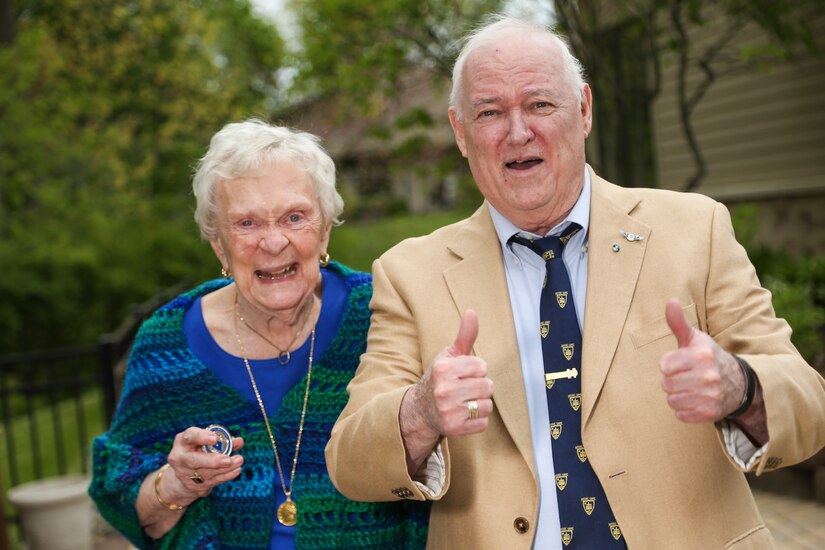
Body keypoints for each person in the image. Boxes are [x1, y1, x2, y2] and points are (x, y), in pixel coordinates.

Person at [325, 15, 825, 550]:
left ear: (584, 110)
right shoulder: (409, 273)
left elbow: (810, 408)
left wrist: (740, 387)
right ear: (460, 132)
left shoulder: (693, 229)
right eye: (490, 112)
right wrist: (420, 411)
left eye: (540, 104)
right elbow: (350, 461)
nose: (518, 132)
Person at [88, 119, 429, 549]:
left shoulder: (384, 314)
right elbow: (124, 500)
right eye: (246, 223)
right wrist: (175, 484)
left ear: (325, 229)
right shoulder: (167, 346)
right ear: (219, 244)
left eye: (294, 217)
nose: (273, 242)